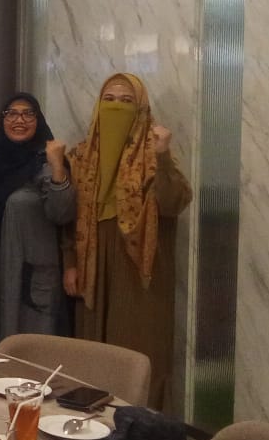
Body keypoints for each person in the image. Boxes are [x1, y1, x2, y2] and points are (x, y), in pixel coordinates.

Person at [67, 73, 193, 409]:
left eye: (127, 101)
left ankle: (141, 429)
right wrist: (70, 263)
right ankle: (93, 428)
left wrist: (163, 156)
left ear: (141, 110)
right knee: (95, 355)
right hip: (93, 268)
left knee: (139, 355)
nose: (116, 107)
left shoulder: (153, 154)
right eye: (109, 100)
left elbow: (173, 203)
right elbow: (69, 217)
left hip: (140, 274)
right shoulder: (81, 156)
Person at [0, 93, 76, 349]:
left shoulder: (46, 162)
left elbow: (62, 213)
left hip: (29, 276)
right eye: (12, 113)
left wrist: (57, 167)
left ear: (38, 120)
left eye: (28, 113)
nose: (19, 120)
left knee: (30, 348)